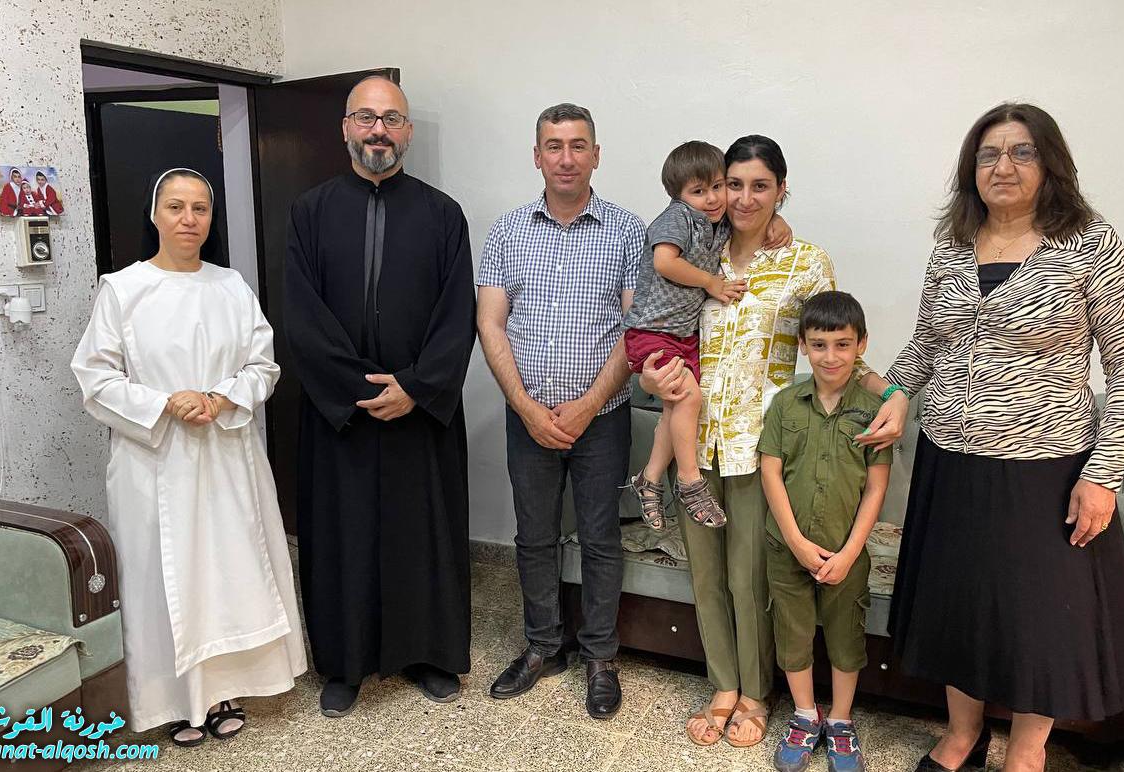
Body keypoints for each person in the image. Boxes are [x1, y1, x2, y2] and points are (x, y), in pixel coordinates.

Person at [873, 103, 1124, 772]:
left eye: (1021, 151)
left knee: (1039, 620)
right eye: (988, 154)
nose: (1003, 166)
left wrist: (1103, 475)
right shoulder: (952, 246)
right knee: (959, 605)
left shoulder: (1089, 244)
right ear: (972, 169)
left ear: (1050, 164)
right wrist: (895, 392)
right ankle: (962, 735)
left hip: (1045, 468)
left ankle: (1027, 751)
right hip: (950, 458)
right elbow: (927, 342)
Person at [641, 135, 905, 749]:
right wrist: (649, 376)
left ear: (782, 190)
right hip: (692, 442)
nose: (744, 197)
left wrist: (891, 391)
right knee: (705, 577)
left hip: (763, 448)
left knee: (748, 579)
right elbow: (659, 323)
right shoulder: (696, 252)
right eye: (734, 184)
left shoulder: (805, 262)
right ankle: (723, 686)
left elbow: (835, 345)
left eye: (760, 186)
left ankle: (757, 693)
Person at [71, 168, 306, 747]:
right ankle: (173, 700)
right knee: (162, 578)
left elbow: (264, 365)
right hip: (153, 460)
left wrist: (219, 398)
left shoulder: (231, 286)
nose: (188, 219)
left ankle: (226, 689)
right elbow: (95, 378)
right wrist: (164, 403)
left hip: (225, 452)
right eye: (176, 207)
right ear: (155, 214)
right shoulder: (122, 289)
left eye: (200, 208)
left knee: (228, 571)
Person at [283, 74, 476, 716]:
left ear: (407, 132)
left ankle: (427, 653)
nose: (378, 131)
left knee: (420, 535)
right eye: (366, 118)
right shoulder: (309, 212)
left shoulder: (443, 215)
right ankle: (344, 663)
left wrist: (415, 388)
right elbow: (302, 313)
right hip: (341, 414)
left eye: (391, 119)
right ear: (345, 127)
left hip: (419, 414)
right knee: (342, 536)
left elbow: (457, 316)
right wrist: (357, 389)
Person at [477, 103, 642, 719]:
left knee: (600, 537)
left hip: (603, 417)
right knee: (534, 537)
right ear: (537, 155)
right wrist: (525, 407)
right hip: (528, 419)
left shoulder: (628, 231)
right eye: (554, 146)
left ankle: (600, 656)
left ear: (596, 155)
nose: (565, 158)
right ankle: (543, 647)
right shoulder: (507, 232)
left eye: (577, 146)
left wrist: (588, 405)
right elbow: (490, 323)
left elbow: (635, 329)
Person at [623, 141, 790, 532]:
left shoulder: (717, 222)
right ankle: (689, 481)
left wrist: (778, 221)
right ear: (678, 195)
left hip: (681, 335)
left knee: (676, 406)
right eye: (699, 191)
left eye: (717, 186)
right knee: (689, 396)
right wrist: (711, 282)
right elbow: (665, 262)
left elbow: (757, 216)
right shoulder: (677, 218)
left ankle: (649, 477)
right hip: (653, 330)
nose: (714, 198)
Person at [759, 291, 891, 772]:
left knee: (845, 638)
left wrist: (851, 551)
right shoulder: (785, 404)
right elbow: (770, 472)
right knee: (792, 634)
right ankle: (804, 714)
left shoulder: (874, 410)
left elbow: (876, 487)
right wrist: (795, 542)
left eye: (842, 344)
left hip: (846, 553)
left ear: (861, 345)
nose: (830, 356)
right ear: (802, 345)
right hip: (786, 548)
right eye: (818, 345)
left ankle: (839, 720)